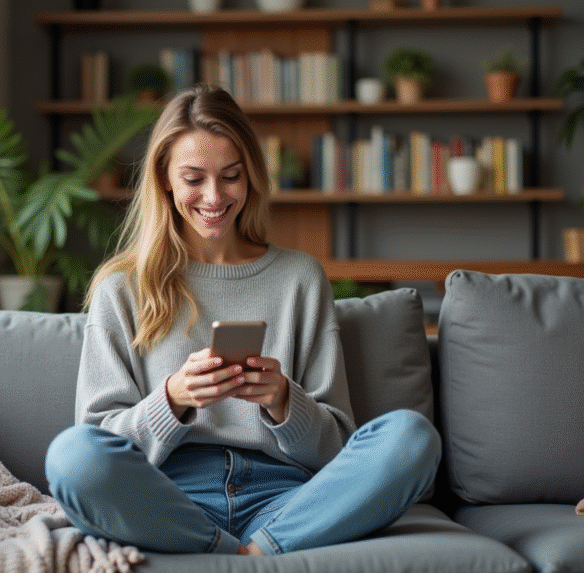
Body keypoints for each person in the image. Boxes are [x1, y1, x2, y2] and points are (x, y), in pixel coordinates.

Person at [45, 84, 440, 557]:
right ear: (165, 180)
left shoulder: (299, 277)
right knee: (70, 456)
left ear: (250, 176)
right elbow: (97, 440)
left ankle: (253, 552)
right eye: (194, 178)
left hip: (286, 498)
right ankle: (231, 549)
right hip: (170, 498)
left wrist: (282, 401)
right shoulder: (122, 287)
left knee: (412, 438)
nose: (213, 197)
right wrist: (171, 400)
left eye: (230, 176)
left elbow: (337, 447)